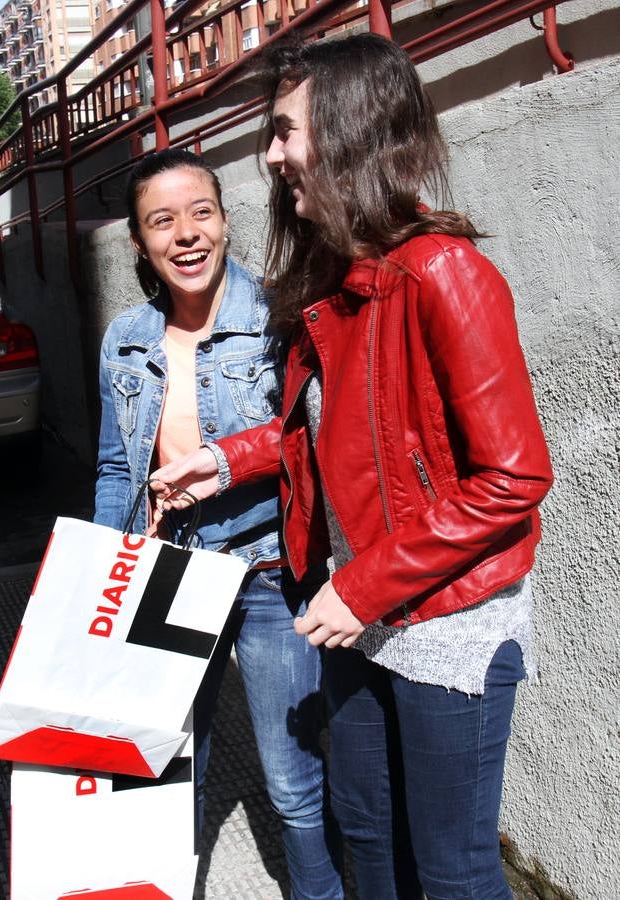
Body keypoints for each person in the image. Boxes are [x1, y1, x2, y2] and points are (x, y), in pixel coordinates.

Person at [149, 36, 554, 900]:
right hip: (357, 612)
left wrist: (363, 586)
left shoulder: (445, 272)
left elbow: (512, 480)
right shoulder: (335, 283)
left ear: (349, 130)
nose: (270, 156)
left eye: (285, 132)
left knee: (450, 869)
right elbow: (321, 434)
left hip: (445, 622)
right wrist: (222, 462)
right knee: (365, 834)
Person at [94, 147, 343, 900]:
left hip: (268, 572)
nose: (186, 234)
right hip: (168, 573)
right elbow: (116, 469)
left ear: (226, 222)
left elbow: (311, 441)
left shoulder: (278, 318)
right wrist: (102, 571)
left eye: (200, 212)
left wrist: (225, 462)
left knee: (292, 782)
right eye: (162, 221)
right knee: (166, 764)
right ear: (140, 243)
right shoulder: (125, 339)